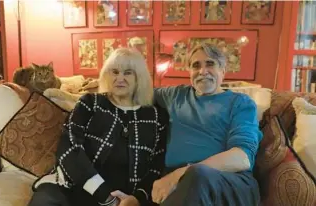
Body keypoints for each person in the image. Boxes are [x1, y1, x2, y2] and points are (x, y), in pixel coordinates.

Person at [28, 48, 169, 206]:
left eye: (128, 73)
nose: (119, 78)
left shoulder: (156, 117)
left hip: (127, 198)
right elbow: (69, 149)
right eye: (114, 72)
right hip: (75, 186)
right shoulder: (90, 103)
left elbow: (156, 168)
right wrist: (105, 196)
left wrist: (137, 198)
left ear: (139, 78)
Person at [152, 43, 262, 206]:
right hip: (182, 183)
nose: (203, 71)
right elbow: (137, 92)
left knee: (198, 175)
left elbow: (242, 158)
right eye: (196, 65)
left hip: (229, 181)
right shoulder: (176, 95)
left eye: (210, 64)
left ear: (223, 70)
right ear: (189, 72)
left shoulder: (240, 103)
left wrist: (182, 173)